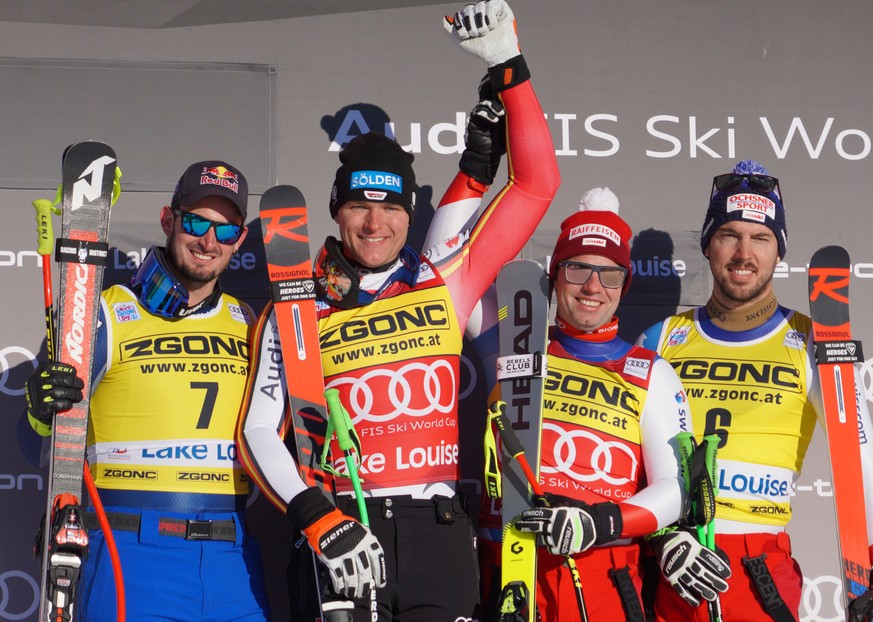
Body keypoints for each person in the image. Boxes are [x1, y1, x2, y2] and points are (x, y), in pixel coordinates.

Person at [236, 1, 560, 620]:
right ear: (337, 210)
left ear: (410, 213)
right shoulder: (299, 300)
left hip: (436, 529)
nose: (375, 223)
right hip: (342, 529)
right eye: (360, 205)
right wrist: (319, 521)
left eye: (391, 208)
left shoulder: (446, 281)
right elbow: (258, 431)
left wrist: (508, 64)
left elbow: (536, 185)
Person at [22, 161, 270, 621]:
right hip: (131, 554)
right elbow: (35, 444)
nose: (209, 242)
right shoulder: (106, 312)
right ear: (168, 219)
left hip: (233, 565)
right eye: (196, 222)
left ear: (238, 240)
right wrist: (40, 408)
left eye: (227, 231)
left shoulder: (251, 323)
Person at [637, 159, 873, 621]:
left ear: (779, 252)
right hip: (673, 560)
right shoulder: (660, 337)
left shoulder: (813, 341)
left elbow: (859, 459)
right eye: (729, 235)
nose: (744, 253)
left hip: (758, 566)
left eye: (761, 238)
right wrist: (660, 539)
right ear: (708, 245)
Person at [472, 188, 689, 621]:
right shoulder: (508, 346)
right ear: (553, 276)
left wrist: (597, 521)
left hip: (600, 577)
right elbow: (458, 265)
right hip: (510, 573)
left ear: (625, 285)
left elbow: (676, 490)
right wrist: (478, 172)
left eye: (610, 274)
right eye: (577, 269)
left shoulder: (650, 372)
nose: (593, 287)